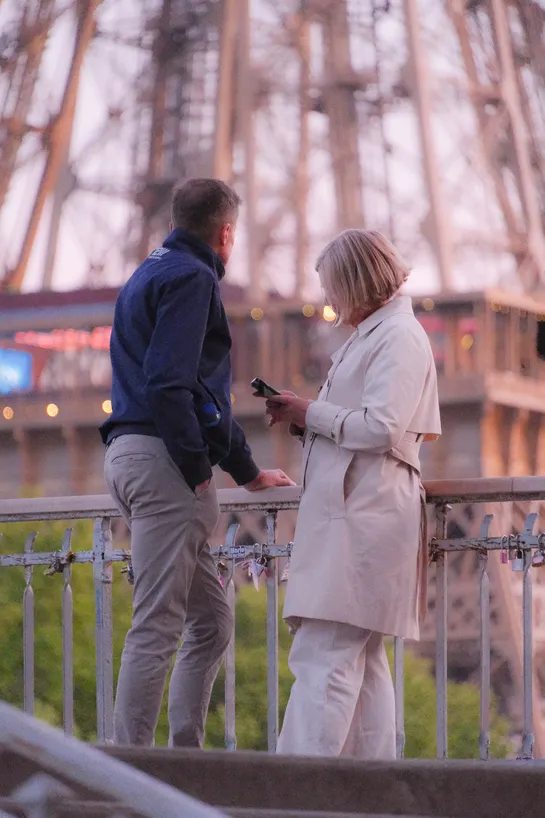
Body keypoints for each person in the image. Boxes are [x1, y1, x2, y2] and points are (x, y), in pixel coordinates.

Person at [101, 177, 293, 747]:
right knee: (157, 623)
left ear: (172, 222)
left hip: (130, 455)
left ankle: (186, 757)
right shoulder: (192, 277)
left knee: (210, 623)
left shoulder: (148, 272)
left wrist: (242, 470)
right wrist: (202, 467)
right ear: (226, 232)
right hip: (165, 463)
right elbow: (175, 385)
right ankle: (126, 771)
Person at [264, 229, 441, 759]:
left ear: (356, 282)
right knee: (360, 666)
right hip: (360, 510)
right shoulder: (382, 335)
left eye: (332, 287)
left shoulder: (397, 337)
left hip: (363, 515)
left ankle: (292, 795)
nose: (329, 301)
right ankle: (373, 793)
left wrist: (308, 413)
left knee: (324, 656)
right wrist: (306, 419)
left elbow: (383, 427)